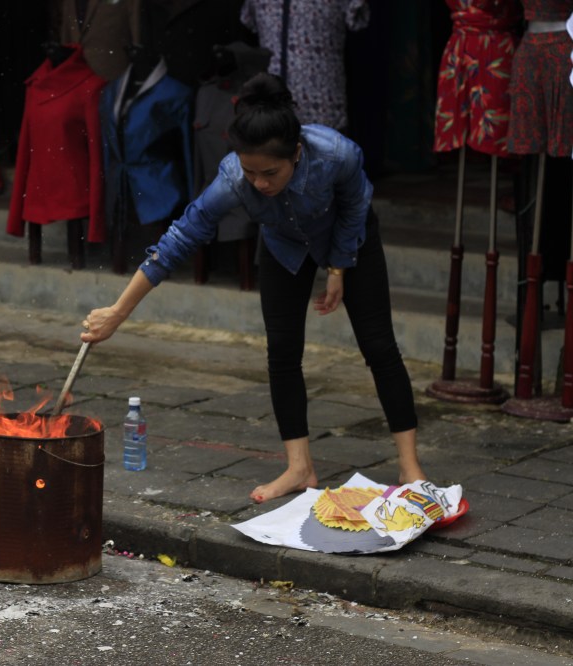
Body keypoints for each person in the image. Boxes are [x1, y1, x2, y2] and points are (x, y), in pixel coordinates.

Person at [80, 72, 427, 503]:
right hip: (283, 247)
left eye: (270, 173)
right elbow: (177, 241)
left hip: (349, 239)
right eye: (250, 172)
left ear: (297, 154)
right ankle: (300, 467)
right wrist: (118, 311)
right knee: (282, 351)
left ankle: (410, 466)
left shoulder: (337, 154)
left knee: (378, 346)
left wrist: (338, 267)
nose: (259, 183)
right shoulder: (232, 180)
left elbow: (357, 206)